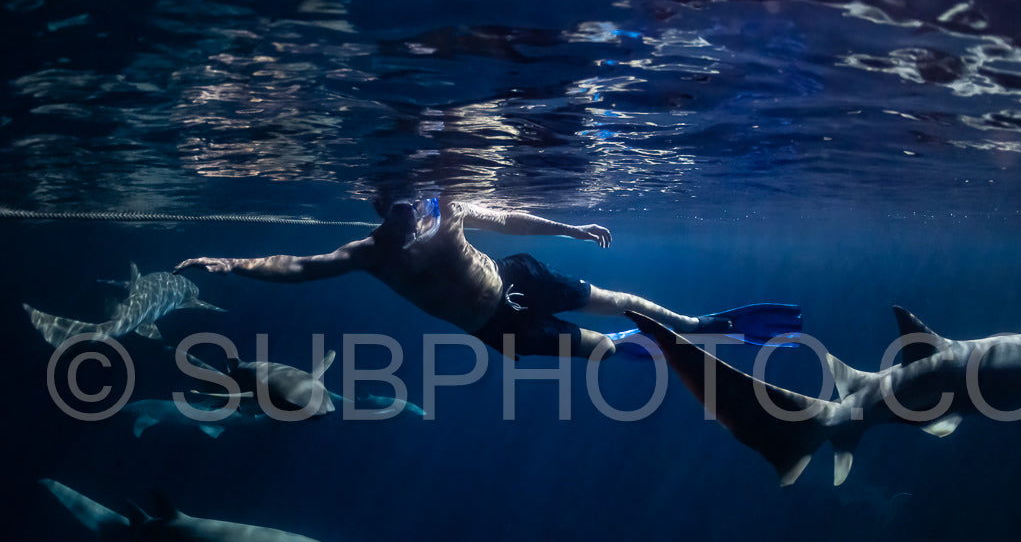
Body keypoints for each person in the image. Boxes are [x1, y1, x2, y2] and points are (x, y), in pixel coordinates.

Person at [174, 195, 733, 360]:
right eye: (394, 207)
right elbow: (297, 268)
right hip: (493, 326)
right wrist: (231, 264)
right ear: (377, 210)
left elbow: (509, 218)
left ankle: (690, 323)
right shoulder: (368, 253)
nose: (408, 213)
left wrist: (571, 229)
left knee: (614, 299)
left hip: (518, 279)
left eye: (412, 204)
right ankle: (646, 342)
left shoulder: (449, 212)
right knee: (602, 352)